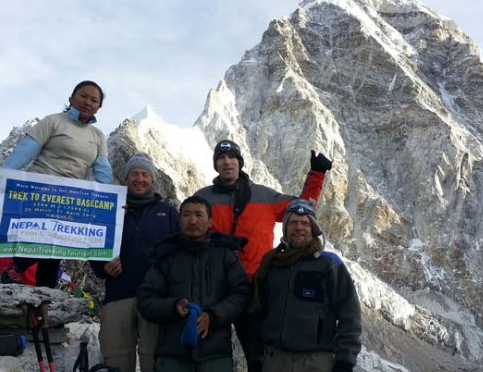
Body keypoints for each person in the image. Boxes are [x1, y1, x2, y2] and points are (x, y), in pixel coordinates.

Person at [193, 139, 332, 363]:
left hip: (255, 287)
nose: (227, 162)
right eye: (221, 158)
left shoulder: (264, 196)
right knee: (213, 351)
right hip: (216, 285)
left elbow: (303, 208)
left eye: (232, 158)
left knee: (257, 352)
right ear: (215, 164)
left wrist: (317, 174)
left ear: (240, 163)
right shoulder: (203, 197)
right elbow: (190, 228)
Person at [0, 80, 113, 288]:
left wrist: (111, 201)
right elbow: (26, 150)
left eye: (94, 100)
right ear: (71, 98)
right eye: (83, 96)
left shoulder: (97, 136)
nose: (87, 102)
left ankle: (44, 300)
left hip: (70, 199)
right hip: (39, 192)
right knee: (39, 239)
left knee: (55, 251)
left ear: (99, 106)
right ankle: (15, 270)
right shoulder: (53, 121)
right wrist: (2, 176)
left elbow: (102, 169)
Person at [136, 196, 250, 372]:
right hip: (173, 354)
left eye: (199, 215)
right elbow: (146, 300)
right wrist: (173, 307)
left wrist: (212, 316)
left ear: (210, 221)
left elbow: (241, 294)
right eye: (186, 215)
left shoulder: (225, 256)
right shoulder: (166, 258)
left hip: (215, 353)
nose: (193, 220)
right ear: (179, 220)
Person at [90, 153, 179, 372]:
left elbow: (180, 252)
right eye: (134, 174)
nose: (140, 179)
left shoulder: (167, 212)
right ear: (125, 179)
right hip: (118, 295)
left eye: (145, 174)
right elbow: (93, 245)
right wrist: (103, 267)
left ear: (152, 179)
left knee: (155, 359)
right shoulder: (109, 211)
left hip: (156, 298)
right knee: (115, 359)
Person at [249, 199, 362, 372]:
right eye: (293, 222)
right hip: (275, 360)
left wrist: (345, 361)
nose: (299, 227)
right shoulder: (271, 264)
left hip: (316, 362)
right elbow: (258, 313)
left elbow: (350, 314)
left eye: (305, 223)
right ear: (285, 228)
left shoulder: (330, 264)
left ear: (314, 229)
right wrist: (256, 358)